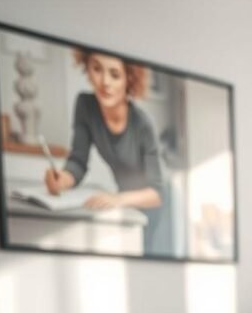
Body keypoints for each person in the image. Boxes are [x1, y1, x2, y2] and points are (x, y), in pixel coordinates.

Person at [44, 50, 168, 255]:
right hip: (124, 201)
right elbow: (78, 161)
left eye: (115, 74)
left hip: (155, 205)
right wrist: (62, 180)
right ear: (87, 68)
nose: (105, 82)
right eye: (97, 69)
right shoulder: (85, 106)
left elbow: (157, 193)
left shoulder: (143, 124)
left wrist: (117, 199)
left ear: (129, 79)